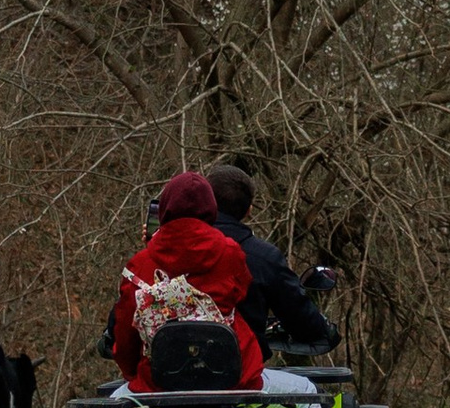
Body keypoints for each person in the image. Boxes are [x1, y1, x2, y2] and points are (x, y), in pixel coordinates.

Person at [108, 171, 264, 393]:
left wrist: (135, 375)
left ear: (164, 209)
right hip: (233, 380)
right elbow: (242, 294)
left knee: (111, 405)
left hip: (159, 386)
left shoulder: (140, 265)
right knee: (305, 389)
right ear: (211, 208)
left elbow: (125, 336)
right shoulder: (230, 253)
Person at [203, 163, 339, 357]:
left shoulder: (169, 251)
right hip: (242, 378)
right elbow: (303, 322)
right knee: (311, 388)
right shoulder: (263, 258)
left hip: (167, 377)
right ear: (249, 210)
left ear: (204, 202)